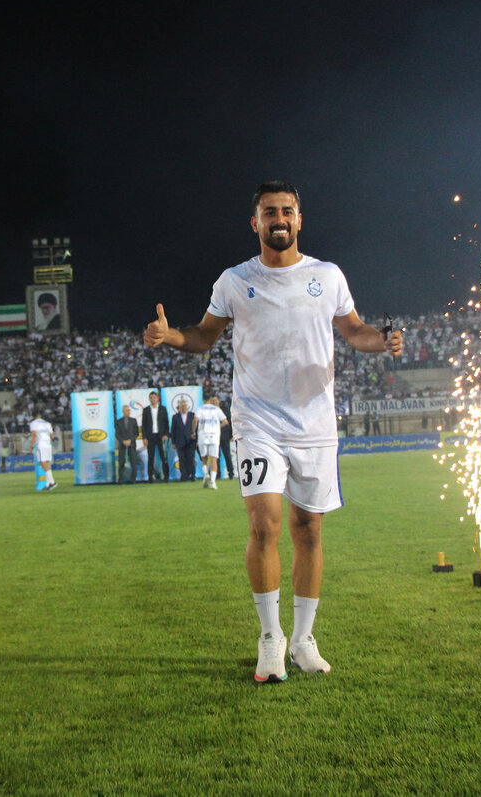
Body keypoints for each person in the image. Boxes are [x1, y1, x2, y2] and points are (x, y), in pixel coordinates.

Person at [143, 181, 403, 683]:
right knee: (264, 526)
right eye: (269, 212)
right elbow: (205, 335)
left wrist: (384, 341)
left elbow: (354, 331)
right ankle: (270, 638)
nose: (278, 219)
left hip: (314, 423)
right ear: (255, 223)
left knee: (309, 530)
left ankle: (304, 639)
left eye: (287, 211)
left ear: (299, 220)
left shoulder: (327, 277)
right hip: (257, 420)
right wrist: (172, 335)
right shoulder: (235, 280)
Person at [194, 394, 228, 489]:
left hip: (202, 435)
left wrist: (193, 431)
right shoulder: (216, 409)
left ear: (203, 399)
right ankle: (213, 482)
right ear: (210, 399)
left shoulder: (200, 409)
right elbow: (225, 421)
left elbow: (195, 420)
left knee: (204, 458)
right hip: (214, 436)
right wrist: (218, 428)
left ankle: (206, 474)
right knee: (214, 460)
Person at [140, 390, 170, 482]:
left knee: (163, 457)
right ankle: (150, 477)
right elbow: (143, 425)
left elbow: (166, 423)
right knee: (151, 457)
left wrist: (166, 434)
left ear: (157, 399)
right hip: (150, 436)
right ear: (149, 399)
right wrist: (144, 437)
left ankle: (166, 476)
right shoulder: (146, 410)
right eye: (151, 398)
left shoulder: (163, 409)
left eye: (154, 397)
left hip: (161, 436)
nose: (153, 399)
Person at [169, 400, 197, 481]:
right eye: (182, 406)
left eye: (185, 405)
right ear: (179, 407)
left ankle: (192, 475)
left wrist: (196, 440)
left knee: (191, 459)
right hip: (179, 441)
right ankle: (184, 475)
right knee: (181, 459)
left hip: (190, 441)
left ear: (187, 407)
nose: (184, 407)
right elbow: (173, 430)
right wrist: (173, 442)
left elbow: (196, 429)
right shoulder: (175, 417)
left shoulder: (192, 416)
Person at [29, 412, 57, 490]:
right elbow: (52, 436)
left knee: (43, 462)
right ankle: (48, 485)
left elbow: (34, 434)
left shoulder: (33, 423)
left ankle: (52, 482)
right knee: (46, 463)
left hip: (41, 444)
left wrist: (32, 445)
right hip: (48, 444)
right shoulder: (47, 423)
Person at [115, 404, 139, 484]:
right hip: (122, 446)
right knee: (121, 462)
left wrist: (130, 440)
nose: (128, 412)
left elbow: (136, 433)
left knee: (133, 462)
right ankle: (120, 479)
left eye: (129, 410)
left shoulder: (133, 421)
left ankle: (133, 479)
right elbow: (117, 434)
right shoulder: (118, 422)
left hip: (131, 445)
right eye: (126, 410)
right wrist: (123, 441)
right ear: (123, 411)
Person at [218, 397, 235, 481]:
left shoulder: (224, 410)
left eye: (216, 400)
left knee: (227, 455)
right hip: (215, 437)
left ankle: (231, 472)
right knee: (216, 456)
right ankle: (217, 474)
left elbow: (230, 422)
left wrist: (232, 434)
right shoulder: (211, 411)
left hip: (224, 436)